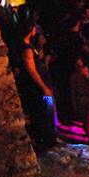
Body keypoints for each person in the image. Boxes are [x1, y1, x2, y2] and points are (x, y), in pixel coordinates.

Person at [19, 22, 58, 151]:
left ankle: (50, 137)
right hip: (39, 89)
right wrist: (44, 88)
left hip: (44, 85)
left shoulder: (30, 46)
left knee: (49, 110)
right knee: (44, 111)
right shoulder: (26, 49)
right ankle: (47, 140)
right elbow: (32, 71)